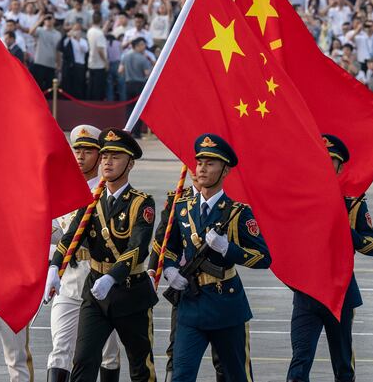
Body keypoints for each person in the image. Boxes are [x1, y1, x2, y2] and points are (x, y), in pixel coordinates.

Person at [46, 128, 157, 382]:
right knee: (83, 360)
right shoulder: (91, 201)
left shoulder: (142, 202)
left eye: (115, 156)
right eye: (105, 155)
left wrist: (112, 277)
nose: (107, 161)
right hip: (94, 293)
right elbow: (69, 238)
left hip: (129, 291)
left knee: (140, 365)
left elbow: (137, 248)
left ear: (130, 163)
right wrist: (54, 267)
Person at [163, 134, 271, 382]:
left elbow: (264, 257)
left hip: (226, 307)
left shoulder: (238, 213)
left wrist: (227, 249)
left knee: (236, 376)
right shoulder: (182, 208)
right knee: (181, 375)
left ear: (225, 171)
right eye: (200, 162)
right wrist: (170, 270)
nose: (201, 168)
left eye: (210, 163)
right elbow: (169, 248)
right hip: (190, 306)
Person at [286, 135, 373, 382]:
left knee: (343, 366)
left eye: (332, 161)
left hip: (340, 293)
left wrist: (347, 234)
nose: (325, 165)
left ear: (341, 168)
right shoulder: (300, 201)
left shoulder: (353, 203)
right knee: (299, 364)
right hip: (307, 293)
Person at [47, 125, 121, 382]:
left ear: (100, 155)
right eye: (77, 150)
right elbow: (57, 232)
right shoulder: (63, 191)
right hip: (69, 278)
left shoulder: (108, 191)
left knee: (109, 352)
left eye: (88, 151)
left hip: (100, 276)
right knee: (60, 349)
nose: (80, 156)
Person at [148, 172, 225, 382]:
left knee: (224, 355)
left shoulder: (226, 202)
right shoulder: (177, 199)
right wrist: (155, 270)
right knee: (177, 348)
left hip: (218, 287)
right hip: (185, 285)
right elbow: (162, 239)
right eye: (194, 163)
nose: (197, 169)